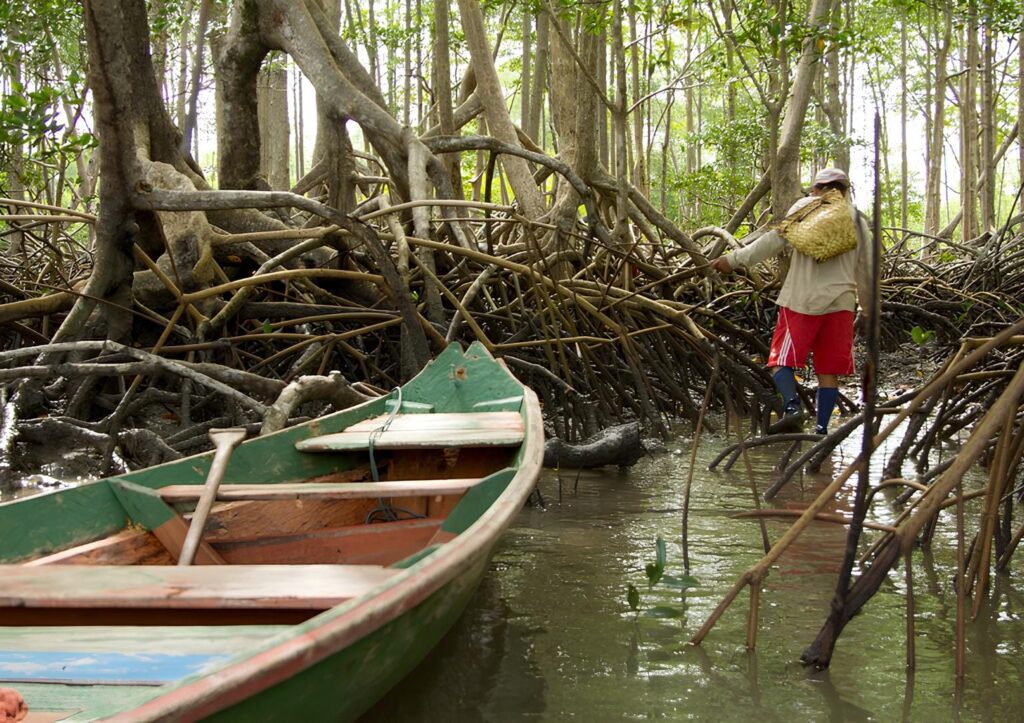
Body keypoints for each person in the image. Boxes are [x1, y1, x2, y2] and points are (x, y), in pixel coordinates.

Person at [710, 168, 872, 435]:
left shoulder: (805, 208)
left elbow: (772, 241)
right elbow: (866, 270)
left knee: (779, 361)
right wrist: (866, 308)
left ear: (818, 189)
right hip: (841, 305)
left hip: (802, 301)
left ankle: (793, 409)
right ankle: (821, 430)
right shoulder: (857, 219)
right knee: (828, 371)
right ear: (845, 190)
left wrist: (732, 260)